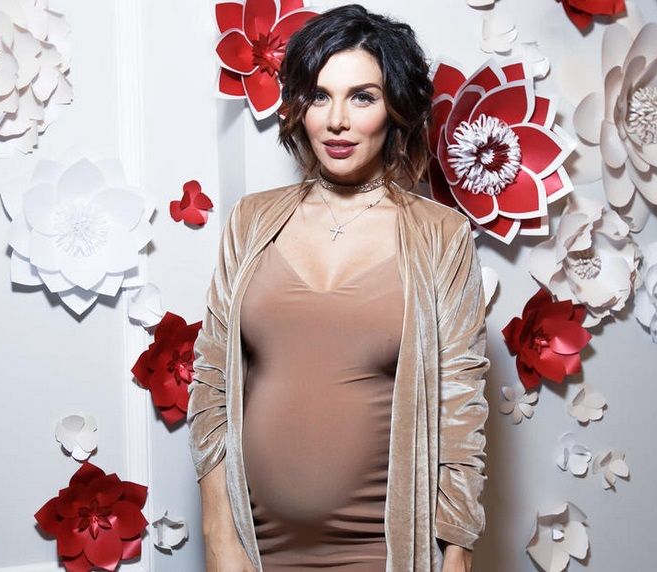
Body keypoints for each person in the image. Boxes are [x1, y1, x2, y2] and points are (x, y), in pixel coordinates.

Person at [187, 4, 490, 571]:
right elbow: (212, 384)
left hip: (383, 551)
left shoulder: (440, 235)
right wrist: (219, 537)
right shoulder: (251, 221)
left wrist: (457, 554)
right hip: (255, 547)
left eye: (363, 97)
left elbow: (461, 405)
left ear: (395, 109)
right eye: (320, 96)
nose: (337, 121)